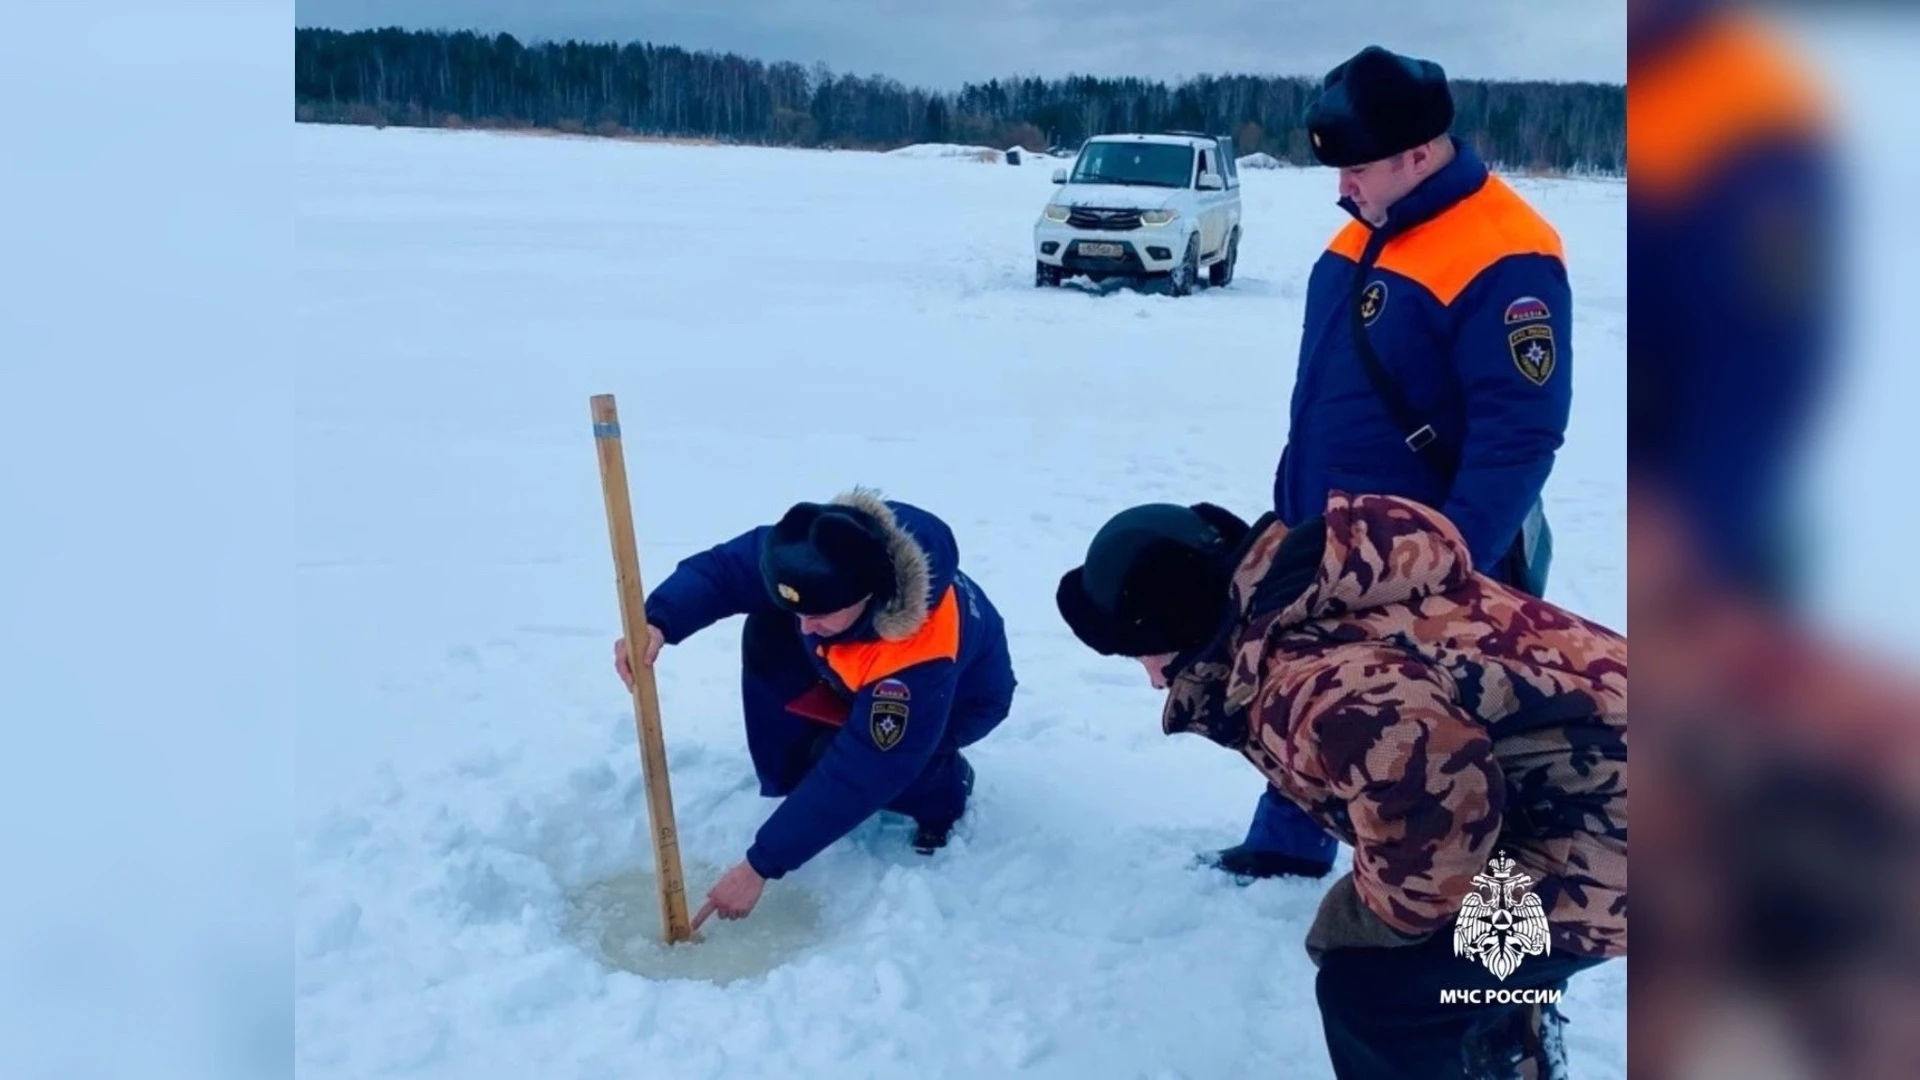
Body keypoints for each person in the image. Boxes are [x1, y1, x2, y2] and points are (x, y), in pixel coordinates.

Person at [1055, 490, 1627, 1079]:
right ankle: (1504, 1048)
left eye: (1145, 654)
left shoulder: (1309, 683)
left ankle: (1486, 1045)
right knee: (1456, 955)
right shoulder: (1330, 590)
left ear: (1182, 621)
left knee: (1375, 989)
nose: (1153, 681)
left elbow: (1435, 812)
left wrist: (1374, 918)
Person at [1230, 43, 1576, 881]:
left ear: (1420, 154)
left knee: (1467, 741)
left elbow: (1520, 433)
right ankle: (1289, 839)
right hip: (1332, 531)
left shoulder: (1507, 254)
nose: (1341, 188)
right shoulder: (1368, 230)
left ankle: (1503, 964)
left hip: (1427, 553)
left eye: (1357, 169)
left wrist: (1452, 559)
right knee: (1316, 676)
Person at [612, 487, 1015, 931]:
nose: (806, 626)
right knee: (770, 627)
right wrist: (659, 620)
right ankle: (797, 775)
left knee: (887, 762)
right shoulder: (816, 547)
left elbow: (867, 770)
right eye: (801, 612)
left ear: (868, 596)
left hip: (958, 700)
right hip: (853, 665)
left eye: (821, 615)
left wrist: (760, 866)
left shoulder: (917, 663)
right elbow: (725, 571)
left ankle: (944, 790)